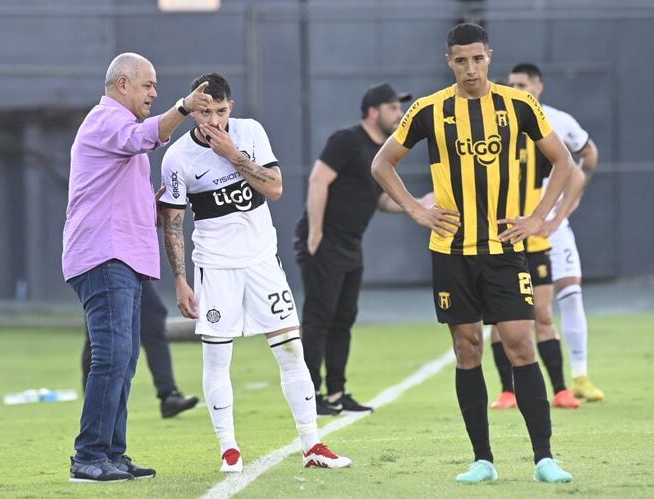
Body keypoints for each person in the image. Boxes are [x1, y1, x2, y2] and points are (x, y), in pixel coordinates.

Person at [371, 23, 575, 484]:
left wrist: (538, 219)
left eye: (478, 58)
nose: (470, 68)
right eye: (461, 60)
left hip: (504, 248)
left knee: (521, 343)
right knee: (468, 349)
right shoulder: (428, 110)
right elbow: (381, 163)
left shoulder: (518, 104)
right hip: (451, 250)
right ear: (450, 61)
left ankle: (545, 457)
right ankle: (483, 460)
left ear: (489, 56)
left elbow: (563, 162)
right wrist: (415, 212)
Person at [159, 72, 351, 472]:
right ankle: (229, 448)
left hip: (262, 261)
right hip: (215, 266)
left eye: (220, 111)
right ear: (193, 111)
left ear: (232, 106)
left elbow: (276, 187)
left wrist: (232, 154)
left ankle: (312, 443)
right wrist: (180, 279)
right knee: (216, 360)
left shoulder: (249, 133)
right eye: (204, 112)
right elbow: (174, 223)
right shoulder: (177, 158)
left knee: (290, 350)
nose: (213, 120)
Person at [62, 52, 212, 483]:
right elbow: (144, 137)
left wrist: (157, 200)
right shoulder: (105, 120)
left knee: (123, 358)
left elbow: (123, 192)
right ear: (122, 84)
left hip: (122, 257)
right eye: (147, 85)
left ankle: (111, 453)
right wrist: (183, 108)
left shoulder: (118, 130)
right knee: (112, 356)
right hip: (104, 255)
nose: (154, 92)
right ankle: (87, 456)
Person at [294, 83, 433, 416]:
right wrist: (315, 234)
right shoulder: (346, 140)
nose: (399, 114)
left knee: (344, 319)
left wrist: (417, 203)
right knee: (319, 319)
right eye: (393, 108)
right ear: (374, 111)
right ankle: (309, 395)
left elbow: (381, 199)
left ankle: (337, 393)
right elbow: (318, 180)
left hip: (351, 246)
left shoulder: (381, 152)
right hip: (325, 244)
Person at [488, 63, 603, 406]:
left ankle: (576, 377)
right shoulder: (501, 126)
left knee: (564, 298)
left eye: (522, 83)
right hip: (505, 233)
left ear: (539, 86)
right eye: (511, 84)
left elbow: (582, 162)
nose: (516, 88)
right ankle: (509, 390)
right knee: (501, 318)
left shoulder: (552, 123)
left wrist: (564, 210)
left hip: (546, 230)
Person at [81, 281, 199, 419]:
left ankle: (169, 394)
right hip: (103, 268)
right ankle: (95, 400)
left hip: (137, 267)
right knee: (100, 333)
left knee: (153, 320)